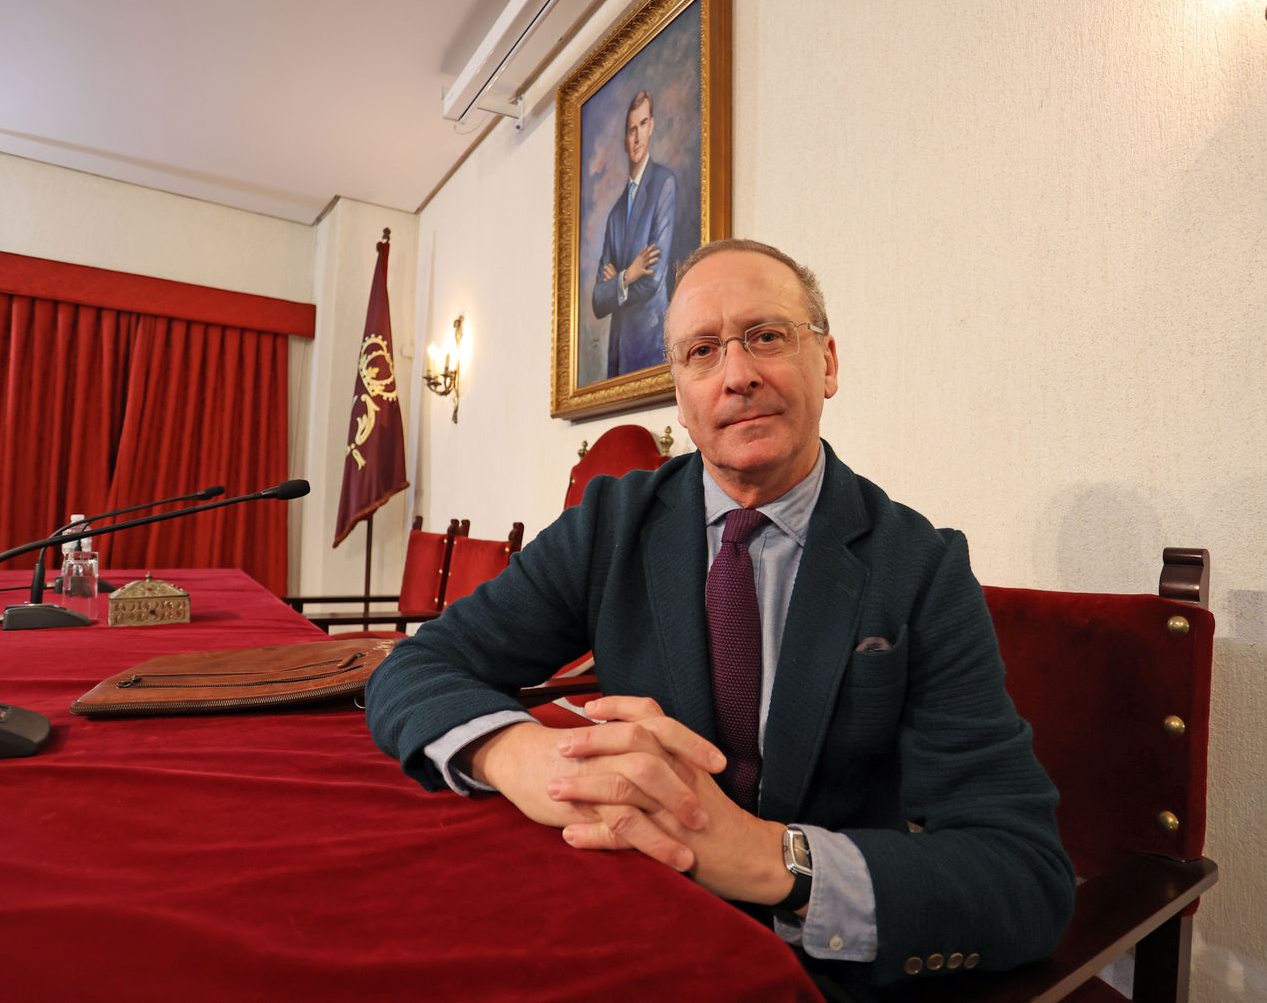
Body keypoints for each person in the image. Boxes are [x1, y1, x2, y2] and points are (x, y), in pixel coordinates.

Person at [366, 239, 1074, 994]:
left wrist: (771, 857)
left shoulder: (921, 569)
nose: (737, 374)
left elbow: (1025, 875)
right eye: (703, 351)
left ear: (827, 363)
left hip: (814, 969)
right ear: (681, 391)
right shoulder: (611, 525)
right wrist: (518, 755)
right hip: (627, 929)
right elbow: (416, 666)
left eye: (767, 336)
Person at [590, 89, 676, 378]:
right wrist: (628, 275)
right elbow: (598, 301)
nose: (637, 137)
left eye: (641, 125)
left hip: (651, 346)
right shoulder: (615, 214)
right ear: (625, 140)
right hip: (618, 353)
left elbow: (653, 279)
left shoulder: (664, 184)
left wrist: (615, 281)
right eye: (630, 130)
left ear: (651, 126)